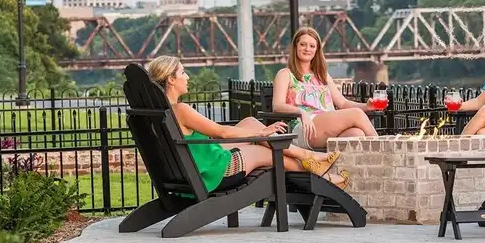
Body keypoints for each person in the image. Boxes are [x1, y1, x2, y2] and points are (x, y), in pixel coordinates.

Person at [146, 56, 350, 193]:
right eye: (183, 73)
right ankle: (323, 176)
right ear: (171, 80)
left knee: (251, 122)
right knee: (269, 152)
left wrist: (259, 131)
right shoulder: (180, 110)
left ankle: (308, 157)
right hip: (215, 172)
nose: (188, 77)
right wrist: (261, 133)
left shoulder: (157, 112)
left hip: (194, 167)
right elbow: (222, 133)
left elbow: (215, 136)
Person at [271, 26, 378, 149]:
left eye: (312, 46)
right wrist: (301, 112)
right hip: (304, 128)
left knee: (356, 134)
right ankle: (386, 151)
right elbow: (277, 106)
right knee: (356, 114)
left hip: (327, 124)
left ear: (317, 50)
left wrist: (367, 107)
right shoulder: (285, 74)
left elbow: (343, 103)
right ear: (295, 47)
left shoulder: (322, 75)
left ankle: (339, 163)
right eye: (303, 44)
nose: (307, 49)